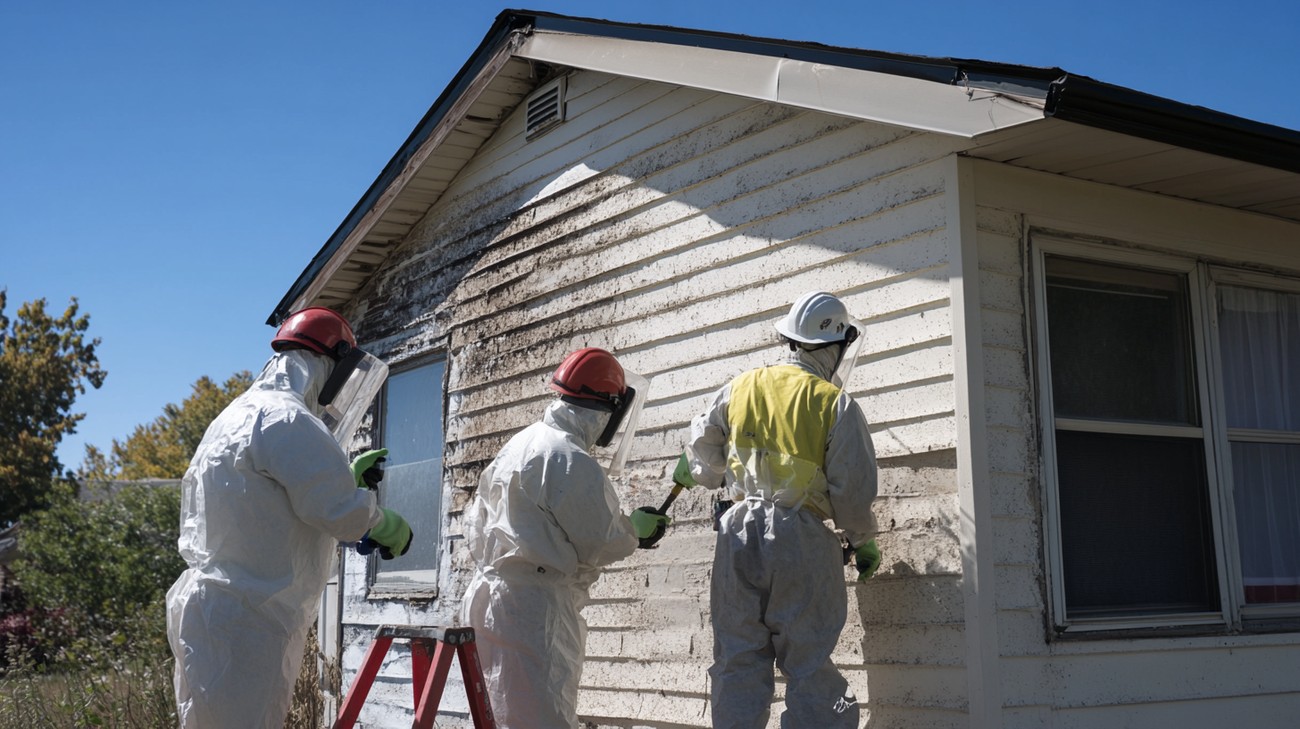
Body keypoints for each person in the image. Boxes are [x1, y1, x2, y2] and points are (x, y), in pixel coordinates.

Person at [165, 307, 414, 729]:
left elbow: (270, 510)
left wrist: (345, 481)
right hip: (248, 622)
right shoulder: (288, 418)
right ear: (332, 365)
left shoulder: (235, 417)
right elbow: (338, 510)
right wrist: (383, 523)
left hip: (215, 611)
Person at [678, 290, 881, 729]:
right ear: (836, 345)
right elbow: (853, 493)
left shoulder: (740, 386)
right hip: (800, 536)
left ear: (790, 339)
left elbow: (703, 459)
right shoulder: (833, 402)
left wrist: (718, 472)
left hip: (736, 534)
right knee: (808, 662)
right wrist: (862, 539)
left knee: (738, 659)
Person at [459, 347, 668, 728]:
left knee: (503, 717)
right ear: (609, 408)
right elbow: (601, 541)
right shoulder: (568, 456)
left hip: (490, 597)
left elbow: (476, 523)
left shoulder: (520, 443)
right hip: (533, 608)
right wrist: (633, 530)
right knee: (545, 717)